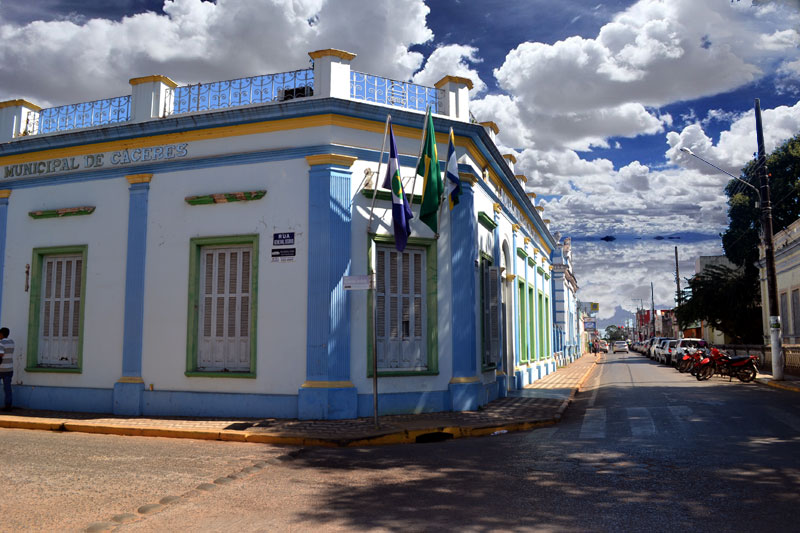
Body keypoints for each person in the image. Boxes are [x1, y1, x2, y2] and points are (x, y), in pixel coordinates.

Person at [0, 327, 13, 411]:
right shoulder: (12, 342)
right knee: (7, 388)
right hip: (10, 368)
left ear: (1, 334)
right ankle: (8, 406)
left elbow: (0, 355)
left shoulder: (1, 343)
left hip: (1, 369)